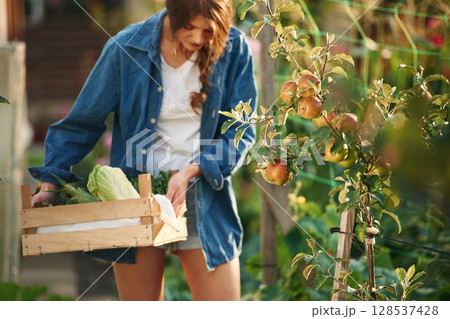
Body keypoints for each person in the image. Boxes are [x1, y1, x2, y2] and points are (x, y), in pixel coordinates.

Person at [29, 0, 257, 301]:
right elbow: (82, 123)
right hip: (134, 198)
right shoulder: (126, 48)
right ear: (172, 13)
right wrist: (50, 181)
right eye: (189, 28)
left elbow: (240, 131)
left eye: (208, 30)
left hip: (203, 195)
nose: (199, 39)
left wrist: (191, 170)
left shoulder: (233, 47)